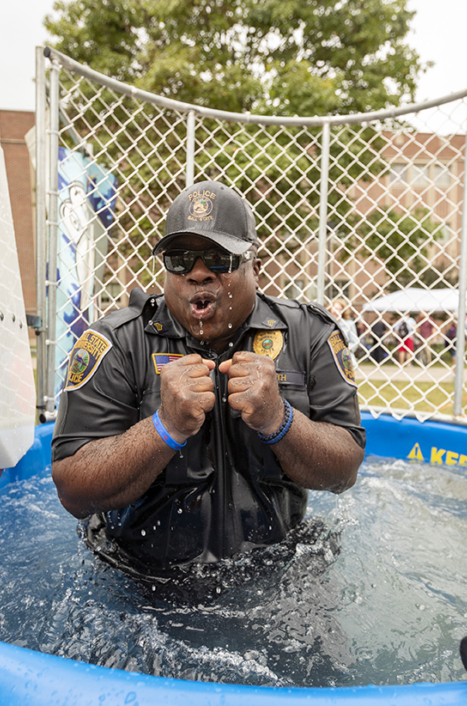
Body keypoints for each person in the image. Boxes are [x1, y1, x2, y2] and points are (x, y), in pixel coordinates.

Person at [51, 180, 365, 581]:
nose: (198, 273)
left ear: (254, 263)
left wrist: (279, 421)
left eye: (219, 258)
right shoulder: (116, 343)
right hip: (142, 579)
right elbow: (73, 490)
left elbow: (345, 470)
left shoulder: (309, 334)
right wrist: (163, 429)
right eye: (180, 259)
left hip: (275, 576)